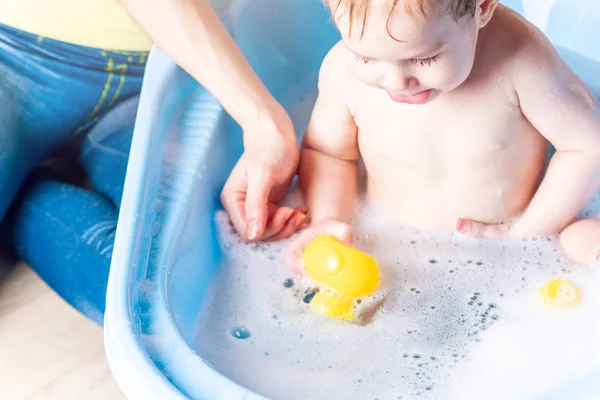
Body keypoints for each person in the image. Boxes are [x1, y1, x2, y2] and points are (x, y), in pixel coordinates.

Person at [0, 0, 305, 324]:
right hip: (13, 51)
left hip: (168, 71)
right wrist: (264, 123)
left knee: (167, 305)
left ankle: (21, 193)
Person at [285, 0, 600, 271]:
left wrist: (527, 233)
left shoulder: (522, 60)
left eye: (424, 58)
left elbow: (587, 145)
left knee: (582, 241)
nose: (396, 83)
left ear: (482, 7)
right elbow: (329, 152)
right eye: (366, 58)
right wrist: (328, 221)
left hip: (507, 248)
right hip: (388, 246)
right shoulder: (343, 71)